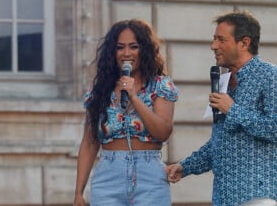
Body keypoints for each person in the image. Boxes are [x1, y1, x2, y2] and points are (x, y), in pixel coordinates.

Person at [166, 11, 277, 206]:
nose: (213, 46)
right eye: (214, 39)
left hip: (257, 196)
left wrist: (233, 110)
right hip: (223, 199)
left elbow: (274, 128)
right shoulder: (224, 82)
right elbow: (220, 142)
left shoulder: (270, 75)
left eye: (221, 40)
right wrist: (185, 167)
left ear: (244, 43)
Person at [73, 19, 178, 206]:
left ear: (144, 50)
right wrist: (79, 193)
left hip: (150, 179)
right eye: (120, 47)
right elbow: (89, 143)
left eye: (133, 46)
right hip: (108, 178)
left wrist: (134, 98)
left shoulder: (161, 85)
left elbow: (163, 131)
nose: (126, 53)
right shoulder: (99, 91)